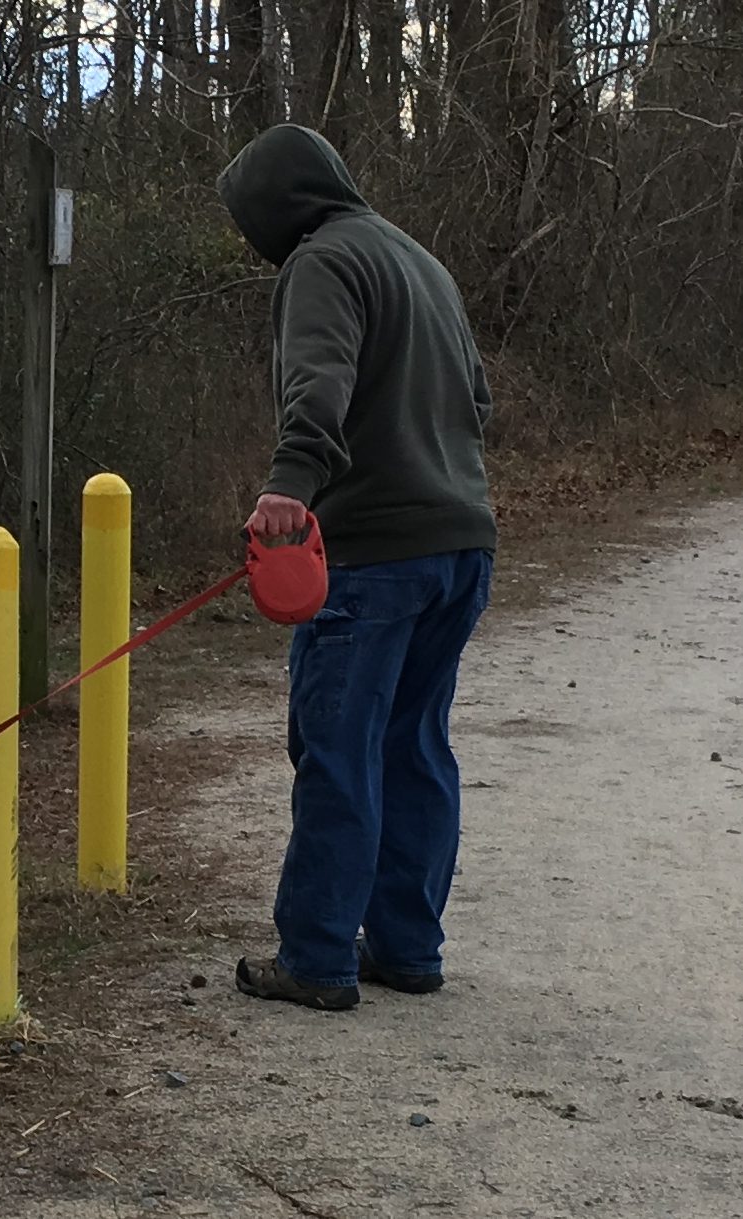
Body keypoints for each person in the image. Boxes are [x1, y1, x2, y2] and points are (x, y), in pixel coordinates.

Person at [216, 124, 498, 1011]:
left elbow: (320, 383)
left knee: (337, 749)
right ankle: (408, 948)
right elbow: (479, 400)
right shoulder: (421, 262)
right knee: (415, 744)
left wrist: (289, 486)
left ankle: (317, 956)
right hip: (463, 545)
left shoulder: (322, 261)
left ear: (275, 208)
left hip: (374, 557)